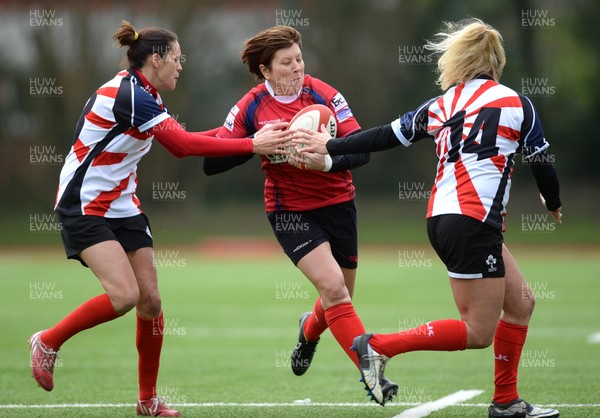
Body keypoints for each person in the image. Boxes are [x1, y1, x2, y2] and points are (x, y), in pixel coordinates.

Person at [293, 18, 561, 418]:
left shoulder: (441, 104)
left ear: (458, 62)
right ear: (496, 62)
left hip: (442, 217)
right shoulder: (516, 102)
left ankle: (506, 401)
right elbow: (542, 163)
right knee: (477, 332)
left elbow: (382, 135)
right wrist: (552, 201)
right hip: (473, 221)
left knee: (521, 302)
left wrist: (332, 146)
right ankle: (380, 346)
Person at [28, 20, 289, 417]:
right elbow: (182, 147)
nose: (181, 67)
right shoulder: (130, 94)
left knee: (150, 300)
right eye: (177, 59)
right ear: (156, 59)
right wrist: (254, 143)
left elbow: (192, 138)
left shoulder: (146, 94)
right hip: (84, 205)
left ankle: (147, 401)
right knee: (125, 296)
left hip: (123, 206)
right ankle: (48, 341)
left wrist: (254, 128)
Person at [203, 25, 398, 403]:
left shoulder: (323, 94)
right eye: (286, 62)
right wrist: (255, 145)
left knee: (339, 298)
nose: (297, 68)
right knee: (333, 288)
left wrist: (326, 158)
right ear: (265, 70)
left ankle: (309, 330)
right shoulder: (252, 105)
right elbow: (211, 163)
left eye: (299, 59)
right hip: (290, 212)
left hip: (339, 205)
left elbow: (361, 151)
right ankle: (371, 370)